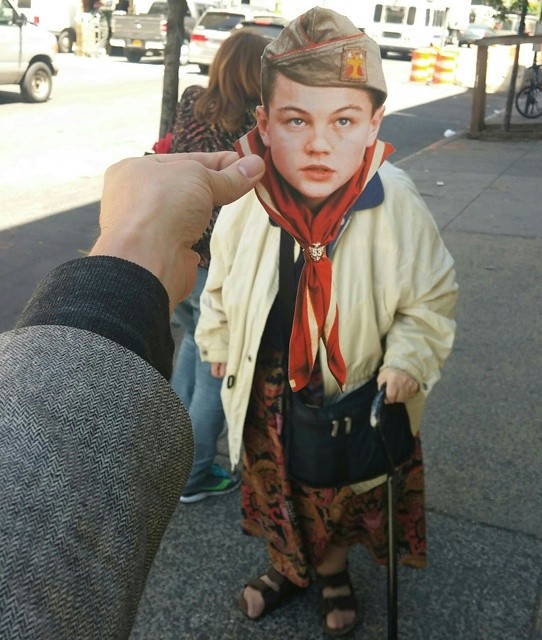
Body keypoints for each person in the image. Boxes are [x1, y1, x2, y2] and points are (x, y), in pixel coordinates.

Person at [195, 8, 458, 636]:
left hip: (350, 383)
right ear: (265, 123)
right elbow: (221, 278)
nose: (319, 144)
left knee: (335, 492)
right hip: (266, 378)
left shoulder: (394, 201)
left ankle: (333, 571)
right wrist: (218, 336)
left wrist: (409, 358)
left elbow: (430, 296)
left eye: (343, 121)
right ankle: (287, 567)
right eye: (296, 120)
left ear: (373, 124)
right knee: (272, 481)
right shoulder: (250, 194)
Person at [0, 151, 265, 639]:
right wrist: (136, 245)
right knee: (203, 364)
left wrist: (131, 240)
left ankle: (190, 464)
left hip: (178, 271)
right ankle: (197, 471)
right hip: (194, 273)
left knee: (193, 353)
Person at [167, 29, 271, 503]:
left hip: (181, 247)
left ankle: (169, 456)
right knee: (217, 363)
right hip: (222, 261)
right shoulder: (255, 124)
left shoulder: (192, 100)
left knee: (193, 343)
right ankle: (194, 473)